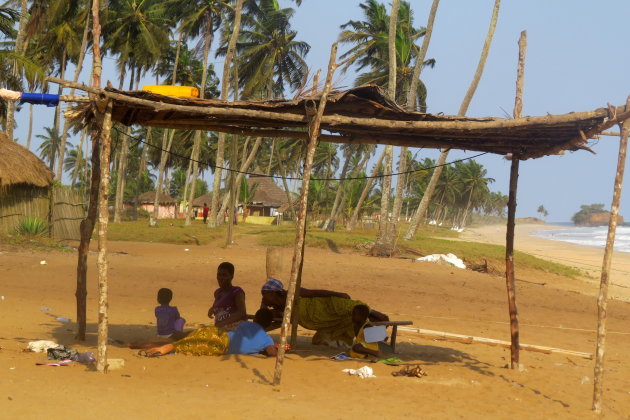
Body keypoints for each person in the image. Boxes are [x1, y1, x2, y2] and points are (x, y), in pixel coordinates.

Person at [260, 278, 388, 346]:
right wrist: (264, 305)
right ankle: (380, 336)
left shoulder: (294, 293)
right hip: (325, 322)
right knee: (322, 339)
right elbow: (263, 318)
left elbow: (316, 292)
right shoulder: (279, 309)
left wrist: (338, 294)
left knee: (359, 311)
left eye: (265, 295)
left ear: (275, 293)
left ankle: (381, 321)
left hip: (330, 306)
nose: (263, 298)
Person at [142, 309, 278, 357]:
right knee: (189, 346)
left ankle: (149, 345)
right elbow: (271, 352)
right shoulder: (267, 339)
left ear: (255, 319)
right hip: (221, 345)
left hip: (219, 333)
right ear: (269, 325)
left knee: (190, 339)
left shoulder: (247, 324)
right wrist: (277, 349)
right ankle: (166, 348)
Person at [209, 262, 247, 330]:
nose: (221, 278)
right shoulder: (218, 293)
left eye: (224, 275)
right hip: (222, 329)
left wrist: (222, 323)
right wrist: (213, 309)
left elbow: (241, 312)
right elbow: (222, 306)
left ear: (231, 276)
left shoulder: (237, 292)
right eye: (219, 275)